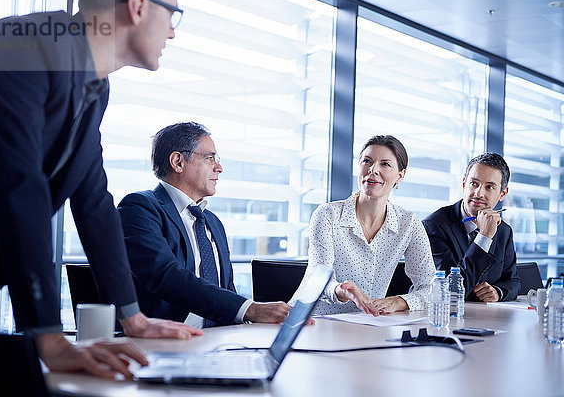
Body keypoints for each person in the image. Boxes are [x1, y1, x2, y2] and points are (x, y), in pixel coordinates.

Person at [0, 0, 203, 380]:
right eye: (173, 15)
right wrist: (49, 337)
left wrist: (134, 317)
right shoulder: (17, 44)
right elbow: (20, 188)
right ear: (138, 6)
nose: (173, 30)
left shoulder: (93, 87)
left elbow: (93, 201)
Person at [118, 122, 292, 328]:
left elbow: (227, 291)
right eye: (210, 158)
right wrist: (250, 309)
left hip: (219, 339)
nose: (219, 167)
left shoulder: (212, 222)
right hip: (164, 342)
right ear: (178, 162)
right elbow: (165, 275)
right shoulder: (140, 208)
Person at [290, 135, 435, 315]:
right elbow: (318, 279)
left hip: (365, 324)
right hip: (312, 320)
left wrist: (400, 301)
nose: (373, 170)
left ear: (400, 176)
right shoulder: (327, 215)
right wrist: (342, 292)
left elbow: (431, 286)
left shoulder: (408, 224)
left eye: (385, 164)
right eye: (367, 161)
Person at [422, 153, 520, 302]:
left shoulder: (504, 231)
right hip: (446, 316)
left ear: (502, 194)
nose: (478, 193)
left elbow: (513, 282)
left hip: (487, 318)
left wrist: (497, 292)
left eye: (489, 187)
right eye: (474, 183)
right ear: (463, 184)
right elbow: (449, 291)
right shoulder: (434, 226)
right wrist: (484, 237)